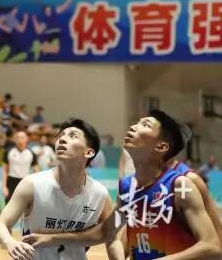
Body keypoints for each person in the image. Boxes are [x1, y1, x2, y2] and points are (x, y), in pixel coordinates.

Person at [24, 110, 222, 259]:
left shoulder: (182, 185)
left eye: (145, 124)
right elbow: (106, 232)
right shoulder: (128, 187)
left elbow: (213, 245)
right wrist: (53, 238)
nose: (133, 127)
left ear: (161, 146)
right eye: (136, 122)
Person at [0, 119, 124, 260]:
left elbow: (112, 238)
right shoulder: (31, 184)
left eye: (72, 135)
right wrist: (9, 242)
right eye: (61, 136)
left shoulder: (100, 194)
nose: (62, 139)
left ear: (89, 152)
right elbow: (1, 225)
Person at [1, 130, 39, 203]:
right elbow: (4, 170)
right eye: (18, 137)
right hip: (11, 182)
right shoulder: (8, 151)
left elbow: (36, 171)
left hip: (25, 182)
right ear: (15, 139)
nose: (20, 140)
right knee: (10, 206)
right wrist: (3, 187)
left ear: (26, 139)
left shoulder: (31, 153)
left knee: (25, 206)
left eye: (22, 137)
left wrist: (36, 187)